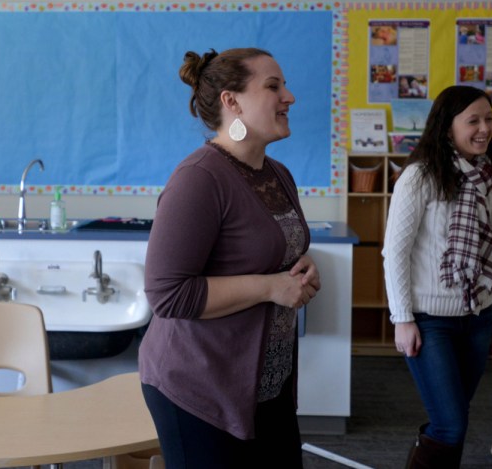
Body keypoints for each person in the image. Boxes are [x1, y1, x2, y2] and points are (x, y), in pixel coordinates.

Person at [139, 47, 320, 468]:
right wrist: (271, 287)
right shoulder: (200, 178)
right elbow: (167, 294)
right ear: (231, 101)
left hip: (266, 384)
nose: (289, 96)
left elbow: (271, 250)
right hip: (199, 388)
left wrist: (302, 265)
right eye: (273, 86)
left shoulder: (277, 174)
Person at [383, 85, 492, 468]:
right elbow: (395, 253)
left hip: (478, 317)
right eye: (472, 120)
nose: (484, 129)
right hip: (429, 320)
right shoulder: (420, 176)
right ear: (446, 126)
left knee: (452, 418)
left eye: (488, 119)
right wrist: (402, 319)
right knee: (451, 424)